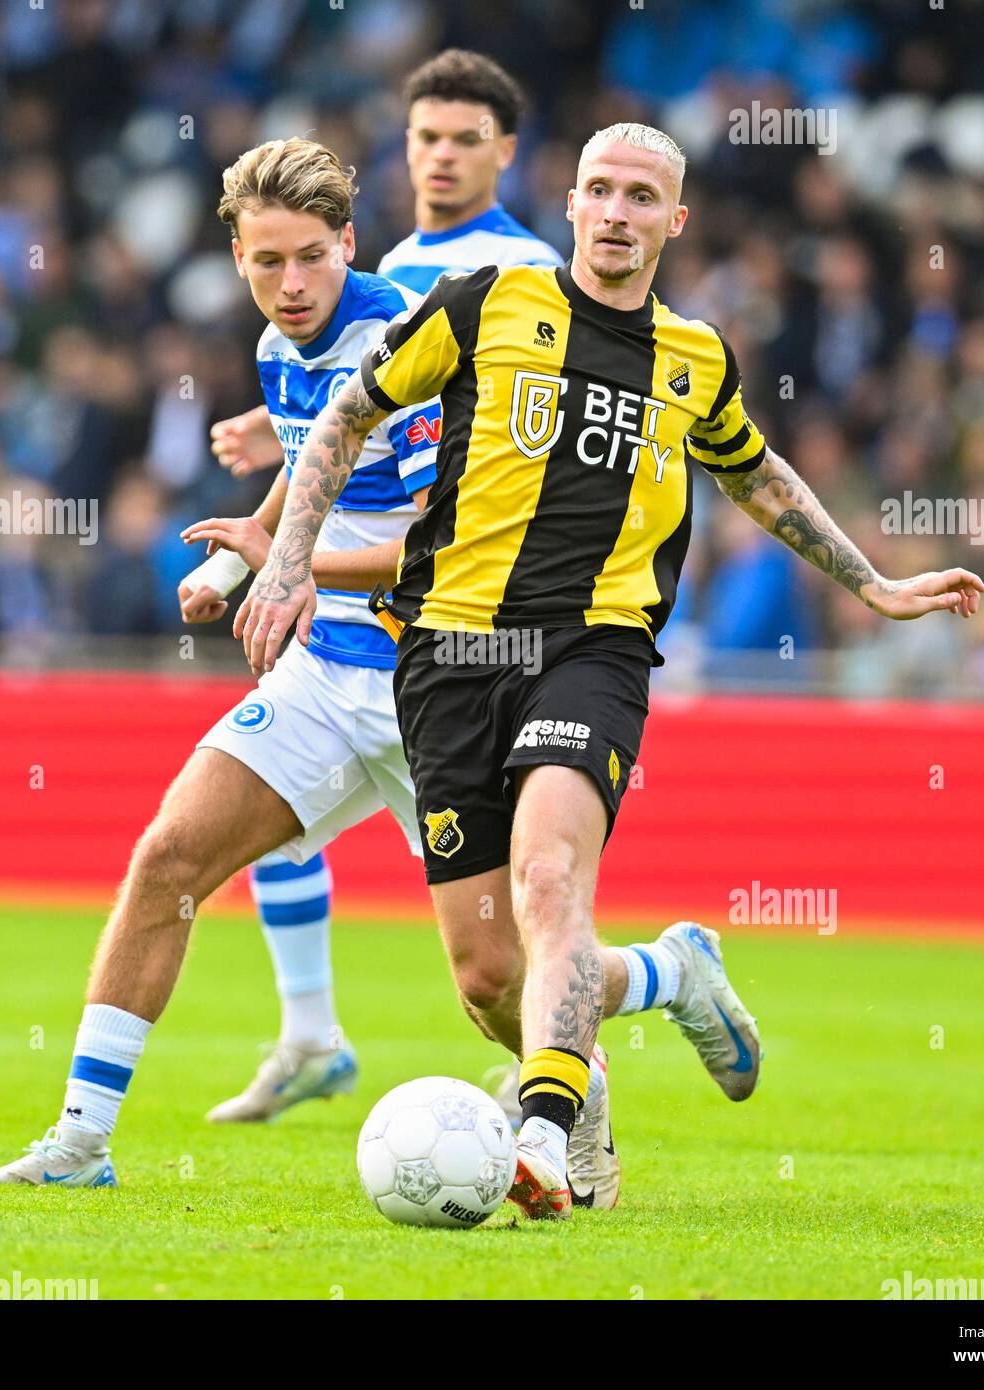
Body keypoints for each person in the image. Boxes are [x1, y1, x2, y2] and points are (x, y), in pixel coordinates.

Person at [237, 122, 984, 1220]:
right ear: (573, 204)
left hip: (590, 653)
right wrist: (288, 561)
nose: (618, 212)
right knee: (489, 975)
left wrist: (871, 584)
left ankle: (539, 1132)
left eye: (643, 196)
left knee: (550, 881)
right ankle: (671, 974)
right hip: (444, 653)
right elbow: (352, 411)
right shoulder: (484, 305)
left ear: (672, 221)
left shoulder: (693, 357)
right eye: (599, 190)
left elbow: (761, 476)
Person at [0, 138, 439, 1186]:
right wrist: (241, 570)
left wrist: (299, 564)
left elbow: (450, 547)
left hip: (437, 685)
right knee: (170, 859)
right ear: (236, 255)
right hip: (324, 675)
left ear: (350, 243)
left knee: (497, 976)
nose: (292, 283)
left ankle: (658, 985)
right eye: (267, 261)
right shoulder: (278, 351)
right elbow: (312, 474)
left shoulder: (410, 345)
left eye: (313, 257)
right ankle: (81, 1140)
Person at [196, 49, 562, 1128]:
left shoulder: (528, 265)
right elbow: (354, 412)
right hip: (354, 633)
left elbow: (484, 446)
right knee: (249, 822)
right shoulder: (387, 264)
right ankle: (310, 1032)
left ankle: (619, 1004)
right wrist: (275, 449)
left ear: (504, 149)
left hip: (475, 624)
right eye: (424, 138)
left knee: (505, 936)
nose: (441, 157)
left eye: (464, 138)